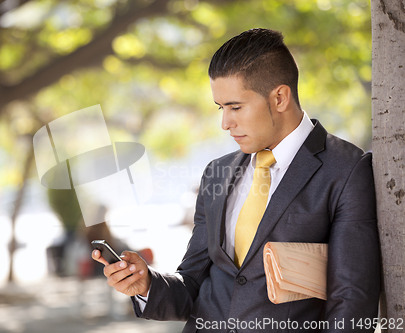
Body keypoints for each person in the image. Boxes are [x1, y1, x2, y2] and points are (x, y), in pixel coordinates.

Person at [92, 28, 380, 332]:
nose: (225, 123)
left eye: (235, 107)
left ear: (280, 97)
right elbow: (192, 284)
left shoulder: (346, 169)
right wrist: (147, 283)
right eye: (221, 108)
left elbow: (352, 302)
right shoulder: (217, 172)